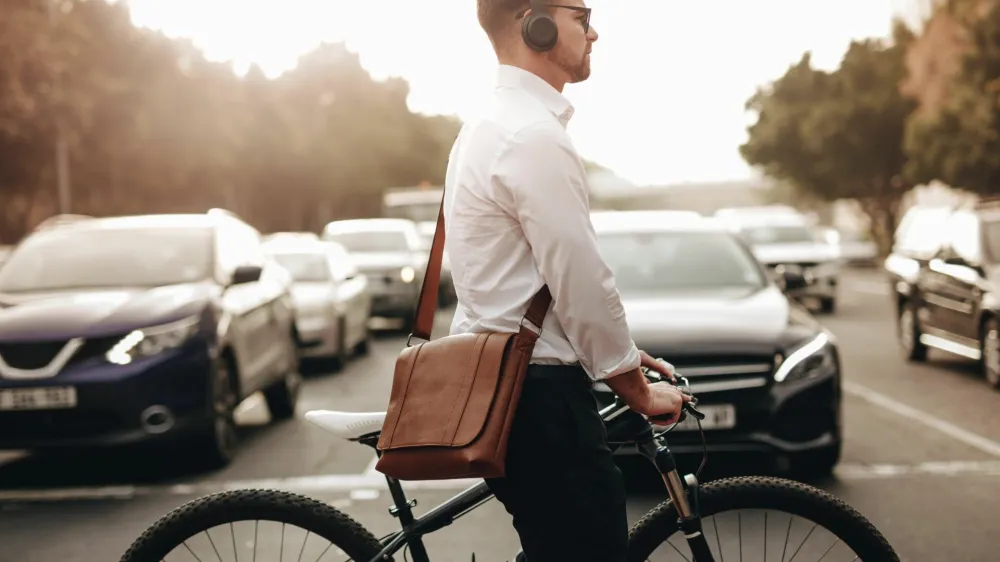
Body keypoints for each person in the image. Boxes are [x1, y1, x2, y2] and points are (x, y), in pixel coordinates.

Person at [443, 1, 691, 560]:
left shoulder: (487, 124)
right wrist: (637, 389)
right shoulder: (530, 134)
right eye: (581, 16)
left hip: (504, 382)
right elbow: (579, 280)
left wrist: (625, 355)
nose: (594, 31)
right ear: (536, 22)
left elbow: (515, 282)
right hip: (539, 396)